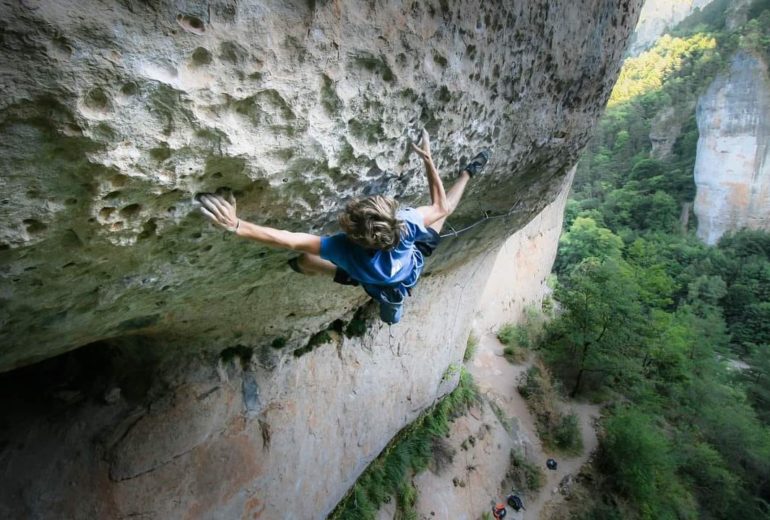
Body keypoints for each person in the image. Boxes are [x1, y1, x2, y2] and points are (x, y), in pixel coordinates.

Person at [198, 129, 489, 323]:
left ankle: (304, 269)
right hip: (407, 271)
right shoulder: (406, 224)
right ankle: (466, 175)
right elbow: (442, 206)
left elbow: (289, 239)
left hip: (376, 284)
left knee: (305, 261)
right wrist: (428, 160)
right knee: (442, 217)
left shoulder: (343, 248)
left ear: (353, 234)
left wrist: (237, 224)